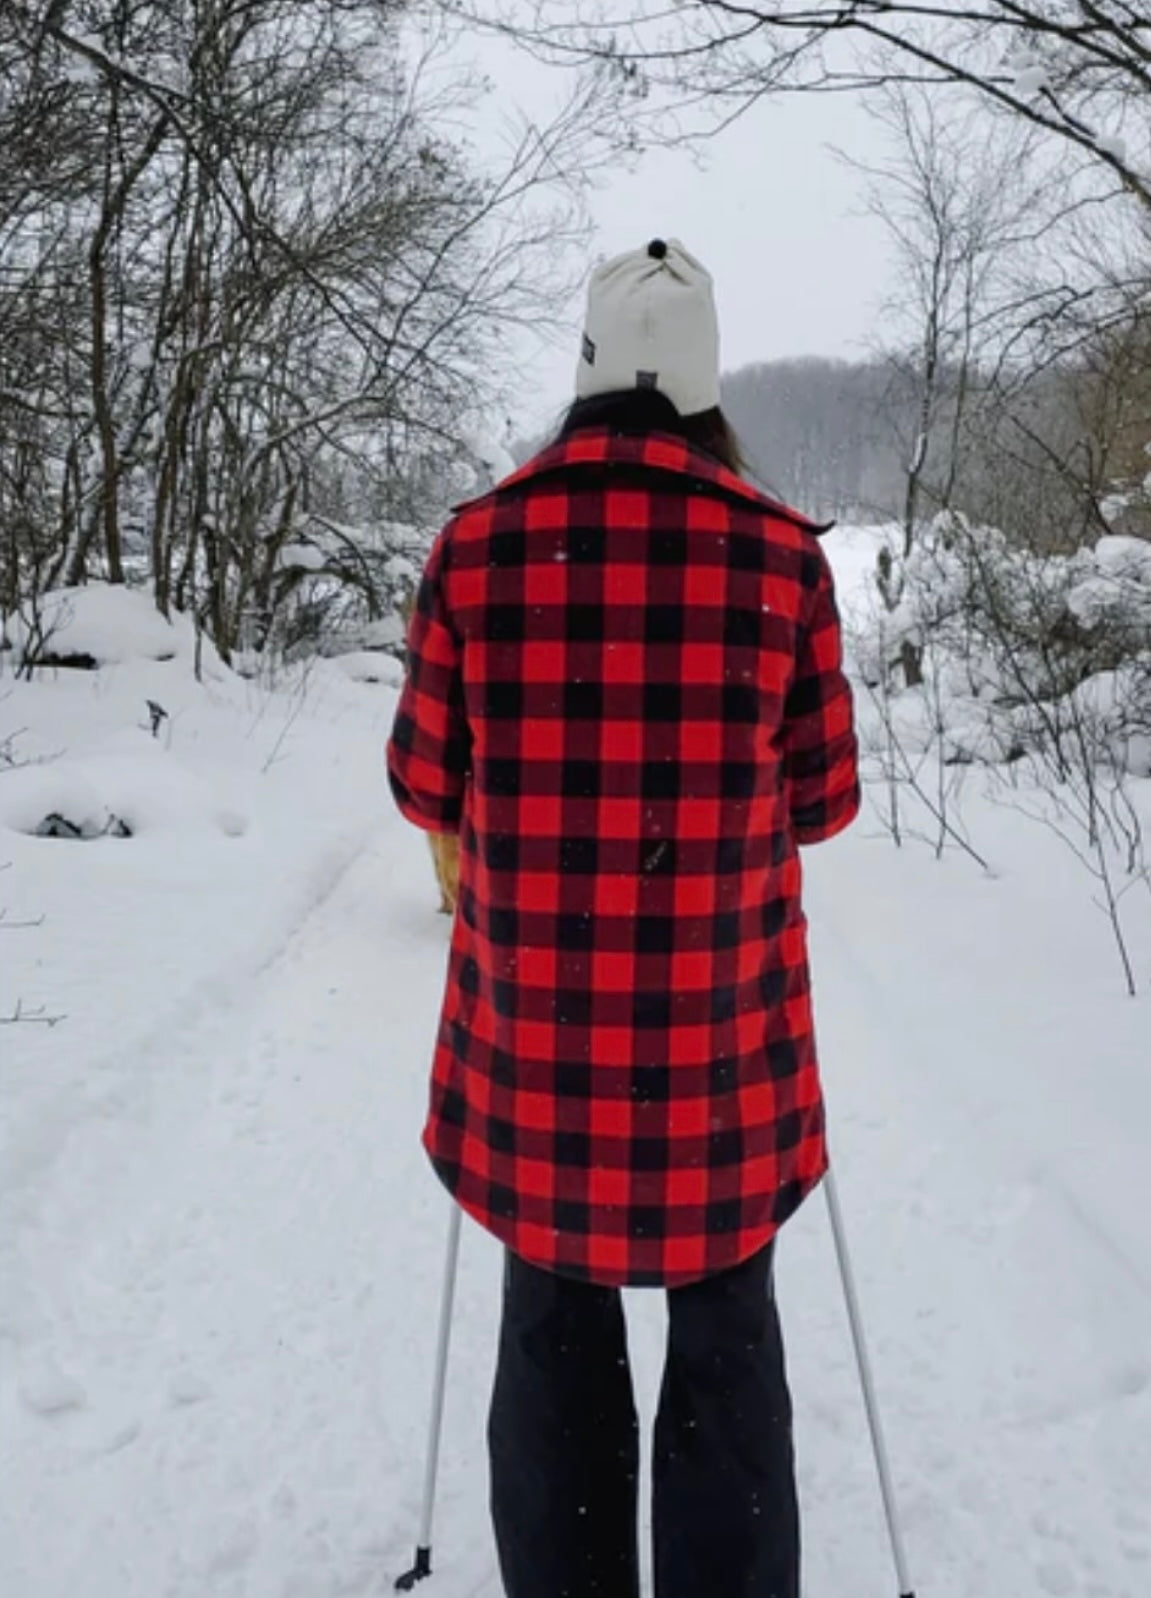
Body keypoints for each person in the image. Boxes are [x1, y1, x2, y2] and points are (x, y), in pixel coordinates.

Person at [387, 238, 860, 1598]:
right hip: (723, 1066)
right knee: (725, 1333)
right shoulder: (782, 559)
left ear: (584, 376)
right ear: (708, 391)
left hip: (536, 1061)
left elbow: (425, 781)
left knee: (553, 1329)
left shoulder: (475, 545)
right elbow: (824, 800)